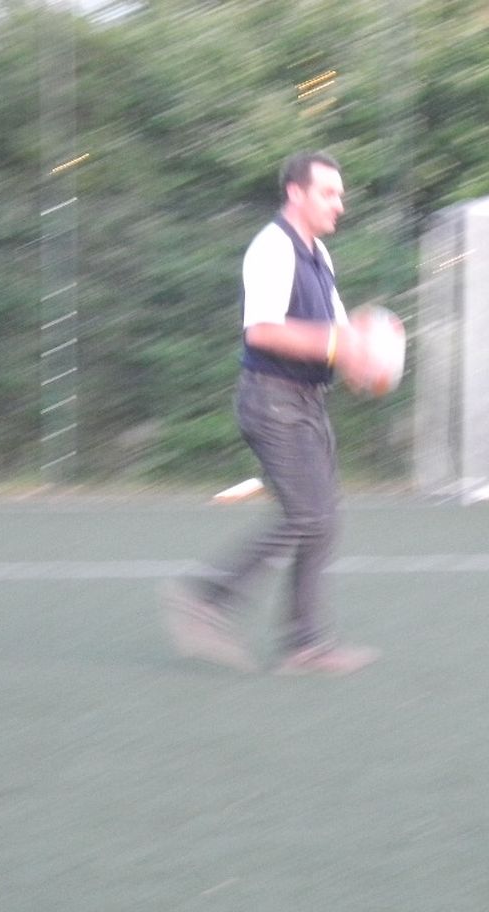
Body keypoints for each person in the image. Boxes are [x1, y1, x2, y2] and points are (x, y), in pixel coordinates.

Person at [161, 151, 379, 676]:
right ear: (296, 194)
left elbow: (339, 337)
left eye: (340, 194)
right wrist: (340, 345)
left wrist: (364, 362)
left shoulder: (319, 255)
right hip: (273, 401)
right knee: (306, 516)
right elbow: (261, 331)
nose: (339, 204)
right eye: (328, 193)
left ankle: (305, 646)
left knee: (322, 521)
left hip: (306, 402)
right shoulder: (272, 248)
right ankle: (206, 600)